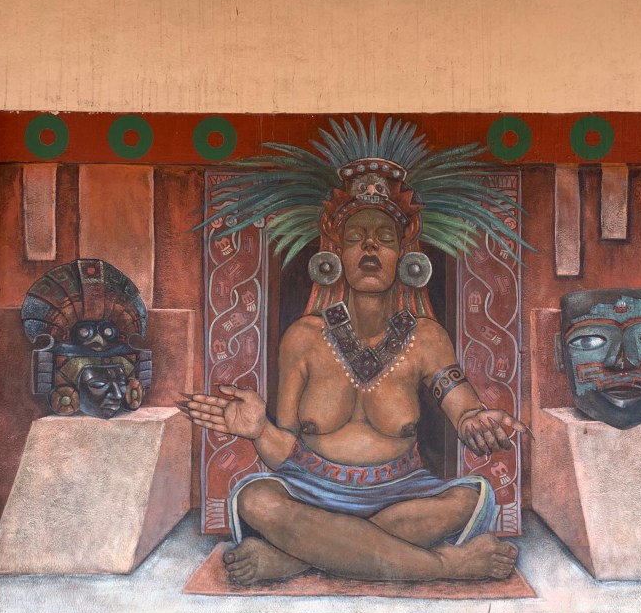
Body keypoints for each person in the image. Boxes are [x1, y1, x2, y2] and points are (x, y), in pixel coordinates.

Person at [182, 119, 529, 585]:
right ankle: (446, 566)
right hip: (310, 490)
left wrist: (476, 421)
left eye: (384, 238)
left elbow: (463, 408)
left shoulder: (426, 337)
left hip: (402, 492)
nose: (369, 246)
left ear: (405, 255)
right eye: (355, 238)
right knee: (256, 501)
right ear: (336, 255)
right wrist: (257, 429)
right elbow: (284, 450)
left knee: (468, 499)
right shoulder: (303, 337)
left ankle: (296, 558)